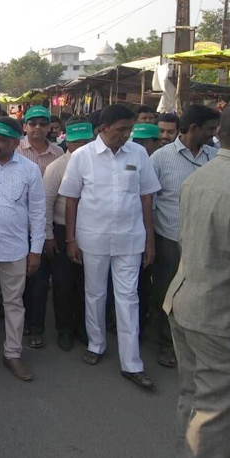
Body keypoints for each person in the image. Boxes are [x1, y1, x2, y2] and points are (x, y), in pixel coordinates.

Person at [60, 104, 161, 390]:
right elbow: (71, 200)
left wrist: (149, 239)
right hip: (92, 237)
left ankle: (132, 363)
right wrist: (70, 239)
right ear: (102, 129)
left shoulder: (139, 154)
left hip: (130, 237)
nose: (126, 135)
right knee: (95, 292)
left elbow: (146, 198)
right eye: (121, 130)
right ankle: (96, 344)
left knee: (128, 297)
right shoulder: (82, 157)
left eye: (129, 129)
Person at [163, 107, 230, 458]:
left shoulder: (201, 176)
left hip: (185, 300)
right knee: (215, 410)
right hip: (217, 315)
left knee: (193, 397)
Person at [0, 117, 45, 381]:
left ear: (16, 142)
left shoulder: (29, 169)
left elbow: (37, 211)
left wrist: (35, 249)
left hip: (15, 248)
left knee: (14, 301)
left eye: (1, 139)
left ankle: (12, 353)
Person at [150, 105, 218, 369]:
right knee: (168, 295)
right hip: (169, 239)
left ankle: (196, 346)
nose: (214, 133)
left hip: (204, 242)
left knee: (201, 295)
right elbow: (150, 202)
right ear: (192, 129)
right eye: (210, 129)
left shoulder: (214, 158)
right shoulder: (160, 158)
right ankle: (167, 344)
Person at [43, 117, 93, 351]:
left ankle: (82, 327)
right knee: (63, 283)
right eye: (76, 143)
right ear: (67, 143)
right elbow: (46, 203)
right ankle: (64, 329)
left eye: (86, 141)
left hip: (91, 230)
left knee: (87, 283)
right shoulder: (57, 167)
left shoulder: (97, 164)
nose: (81, 147)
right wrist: (49, 236)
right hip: (62, 230)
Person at [16, 105, 63, 349]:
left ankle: (37, 326)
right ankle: (23, 324)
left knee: (43, 277)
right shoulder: (15, 150)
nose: (37, 128)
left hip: (50, 224)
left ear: (49, 127)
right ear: (24, 126)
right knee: (24, 278)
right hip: (20, 225)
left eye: (42, 124)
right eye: (32, 123)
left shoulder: (58, 153)